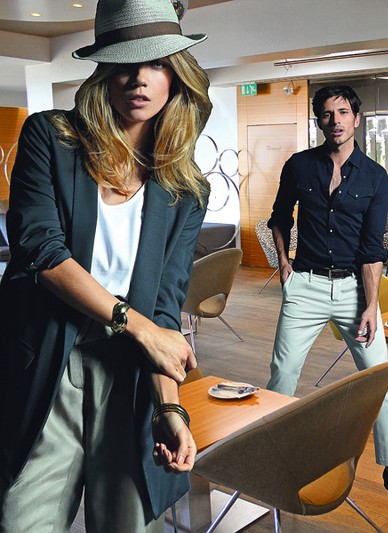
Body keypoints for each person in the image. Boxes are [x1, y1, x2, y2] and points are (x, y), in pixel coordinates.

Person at [0, 0, 211, 530]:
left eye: (156, 62)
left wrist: (170, 409)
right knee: (22, 519)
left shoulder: (187, 190)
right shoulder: (51, 138)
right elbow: (42, 252)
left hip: (131, 376)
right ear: (103, 71)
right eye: (125, 61)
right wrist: (139, 328)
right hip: (48, 363)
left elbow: (164, 308)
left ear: (176, 75)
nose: (139, 78)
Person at [267, 85, 388, 502]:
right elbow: (279, 218)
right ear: (319, 120)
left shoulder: (374, 176)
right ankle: (270, 456)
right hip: (305, 285)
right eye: (328, 113)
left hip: (354, 290)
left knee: (378, 376)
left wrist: (371, 305)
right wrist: (283, 264)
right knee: (282, 374)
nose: (336, 121)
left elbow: (372, 248)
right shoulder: (299, 166)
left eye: (343, 112)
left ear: (356, 118)